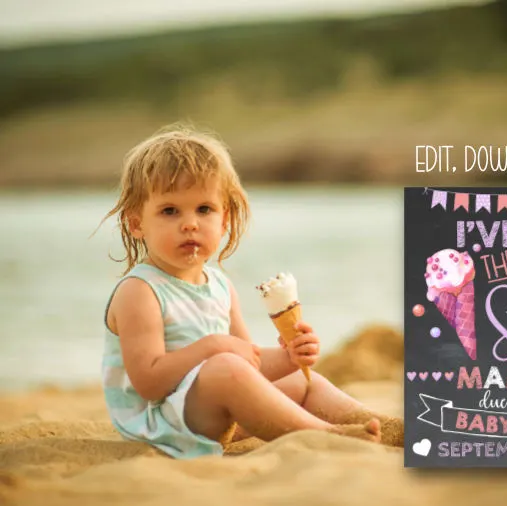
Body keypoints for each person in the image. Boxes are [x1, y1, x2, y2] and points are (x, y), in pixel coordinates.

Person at [99, 125, 403, 458]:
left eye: (204, 209)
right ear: (137, 224)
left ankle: (383, 426)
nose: (190, 223)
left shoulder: (219, 286)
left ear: (224, 220)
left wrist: (289, 358)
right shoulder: (140, 291)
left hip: (212, 414)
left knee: (303, 382)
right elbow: (150, 383)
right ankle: (326, 435)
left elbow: (249, 366)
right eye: (170, 211)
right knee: (225, 366)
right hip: (162, 425)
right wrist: (212, 347)